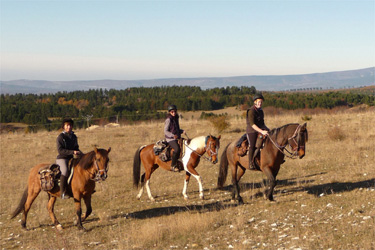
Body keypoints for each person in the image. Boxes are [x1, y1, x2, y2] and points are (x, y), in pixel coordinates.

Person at [56, 118, 81, 199]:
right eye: (67, 125)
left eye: (70, 125)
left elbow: (76, 147)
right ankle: (62, 193)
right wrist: (72, 152)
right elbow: (60, 150)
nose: (69, 127)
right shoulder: (60, 137)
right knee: (65, 171)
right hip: (62, 158)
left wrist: (80, 153)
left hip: (71, 158)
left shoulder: (74, 136)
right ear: (63, 126)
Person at [246, 93, 270, 170]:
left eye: (261, 102)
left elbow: (262, 124)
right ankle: (250, 163)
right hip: (252, 131)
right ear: (255, 102)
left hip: (260, 130)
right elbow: (252, 124)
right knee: (252, 146)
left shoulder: (261, 111)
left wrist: (268, 130)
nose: (260, 103)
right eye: (259, 102)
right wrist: (262, 131)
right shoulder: (251, 111)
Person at [164, 105, 186, 172]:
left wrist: (182, 131)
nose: (173, 113)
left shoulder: (176, 118)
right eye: (172, 111)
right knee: (177, 148)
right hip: (170, 139)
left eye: (175, 111)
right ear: (170, 112)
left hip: (177, 137)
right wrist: (172, 135)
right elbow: (165, 131)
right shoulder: (168, 120)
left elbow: (176, 129)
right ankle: (173, 165)